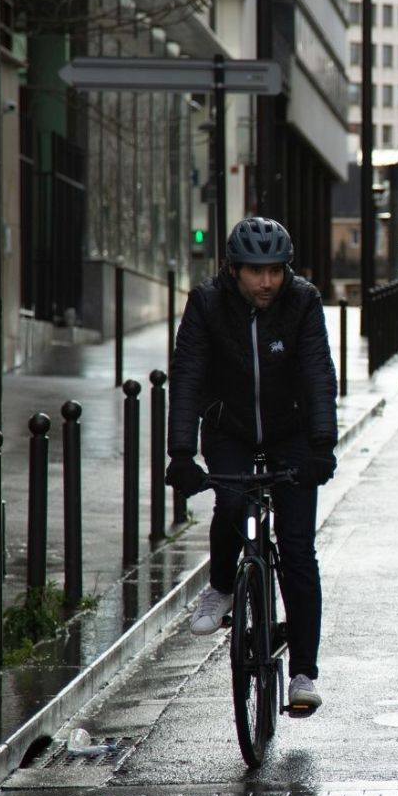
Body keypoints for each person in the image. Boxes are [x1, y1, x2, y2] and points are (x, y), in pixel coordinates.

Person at [165, 217, 338, 714]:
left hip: (293, 432)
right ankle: (221, 586)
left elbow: (317, 372)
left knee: (299, 550)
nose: (267, 283)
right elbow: (190, 375)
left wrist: (321, 446)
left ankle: (303, 672)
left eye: (275, 272)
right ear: (234, 269)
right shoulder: (206, 304)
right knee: (232, 500)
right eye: (255, 272)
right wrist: (181, 454)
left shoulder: (302, 301)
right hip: (229, 427)